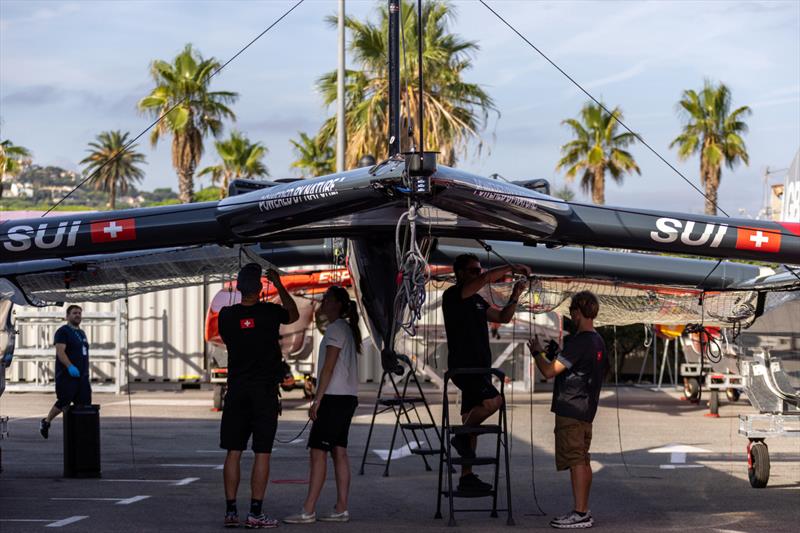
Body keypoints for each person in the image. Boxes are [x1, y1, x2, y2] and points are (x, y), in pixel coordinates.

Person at [218, 263, 299, 529]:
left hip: (237, 391)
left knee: (234, 451)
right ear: (260, 288)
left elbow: (235, 332)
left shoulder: (226, 316)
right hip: (264, 392)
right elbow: (293, 314)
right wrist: (278, 284)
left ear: (239, 287)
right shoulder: (270, 312)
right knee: (262, 452)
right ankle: (255, 512)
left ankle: (231, 511)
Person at [442, 253, 529, 492]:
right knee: (494, 402)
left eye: (479, 270)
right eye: (474, 271)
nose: (479, 275)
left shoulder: (477, 301)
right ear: (460, 273)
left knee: (472, 418)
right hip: (465, 368)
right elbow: (488, 278)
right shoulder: (453, 296)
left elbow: (503, 317)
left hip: (480, 370)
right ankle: (460, 435)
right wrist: (511, 266)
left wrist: (515, 295)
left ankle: (466, 476)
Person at [528, 290, 605, 529]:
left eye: (572, 311)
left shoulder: (580, 341)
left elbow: (549, 371)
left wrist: (537, 352)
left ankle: (580, 512)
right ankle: (584, 510)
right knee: (582, 458)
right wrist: (557, 354)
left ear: (578, 312)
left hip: (571, 408)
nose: (571, 315)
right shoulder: (597, 340)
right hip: (586, 408)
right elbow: (582, 368)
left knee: (575, 461)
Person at [284, 286, 361, 524]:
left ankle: (308, 510)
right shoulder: (346, 329)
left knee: (318, 453)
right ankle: (341, 507)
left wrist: (317, 399)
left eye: (327, 298)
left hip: (334, 398)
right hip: (347, 398)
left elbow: (328, 366)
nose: (323, 301)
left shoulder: (336, 329)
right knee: (339, 452)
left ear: (337, 304)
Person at [39, 305, 91, 439]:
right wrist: (70, 366)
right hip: (67, 376)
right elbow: (60, 352)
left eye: (79, 313)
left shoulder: (81, 333)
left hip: (83, 377)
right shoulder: (63, 332)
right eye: (74, 313)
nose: (78, 315)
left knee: (84, 405)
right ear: (67, 316)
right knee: (64, 402)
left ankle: (80, 433)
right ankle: (46, 421)